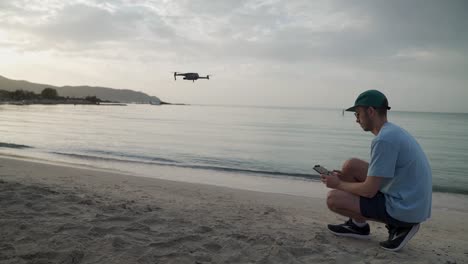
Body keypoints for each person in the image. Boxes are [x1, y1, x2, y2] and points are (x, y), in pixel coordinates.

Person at [320, 90, 432, 252]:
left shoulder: (384, 140)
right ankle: (358, 226)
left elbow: (369, 190)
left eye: (358, 113)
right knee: (351, 166)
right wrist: (343, 179)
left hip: (406, 207)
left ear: (371, 111)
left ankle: (401, 225)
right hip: (411, 198)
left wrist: (338, 184)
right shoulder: (391, 131)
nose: (356, 119)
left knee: (333, 199)